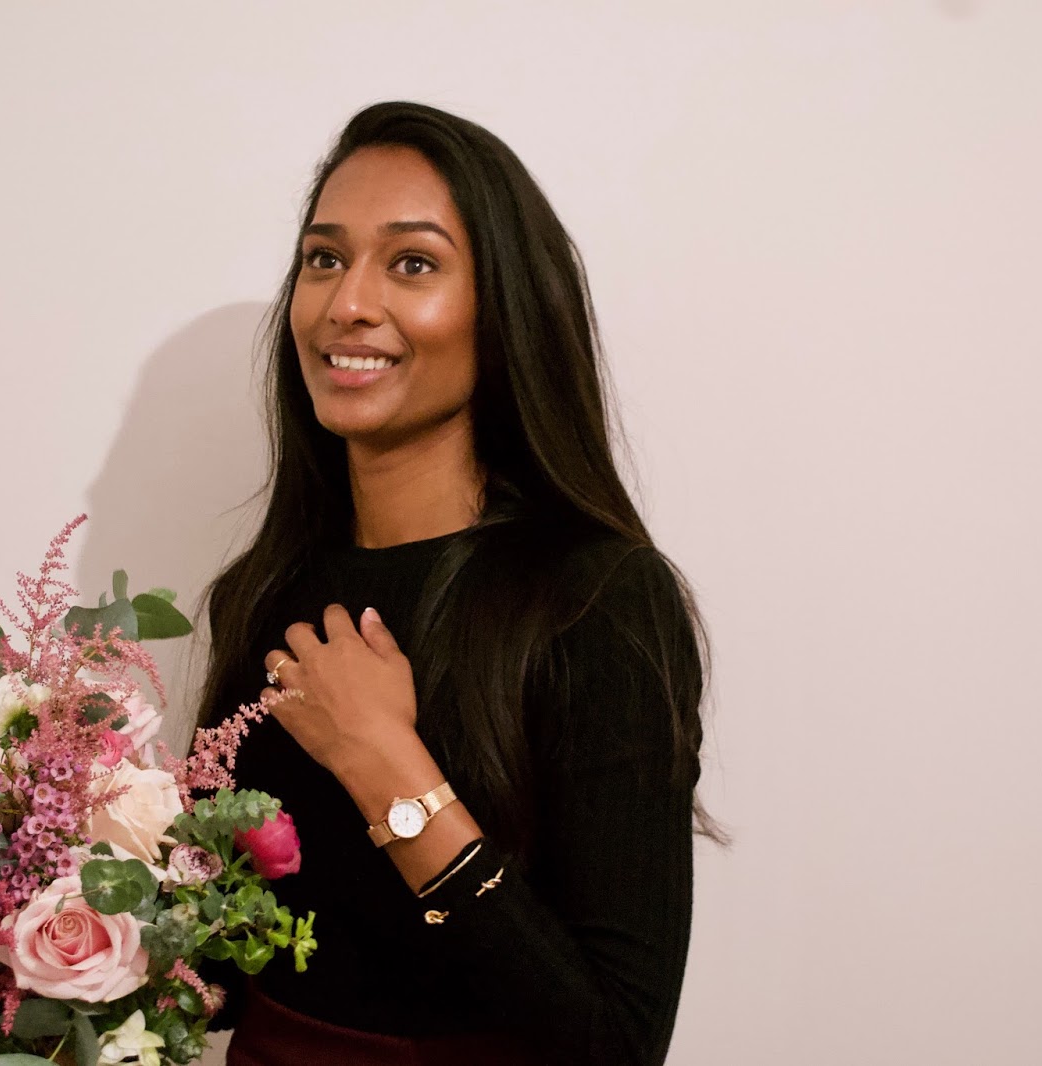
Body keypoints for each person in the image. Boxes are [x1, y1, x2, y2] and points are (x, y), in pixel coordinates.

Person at [195, 100, 721, 1066]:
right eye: (324, 258)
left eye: (412, 264)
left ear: (504, 308)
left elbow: (615, 1044)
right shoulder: (264, 592)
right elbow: (225, 972)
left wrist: (383, 764)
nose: (348, 303)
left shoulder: (597, 599)